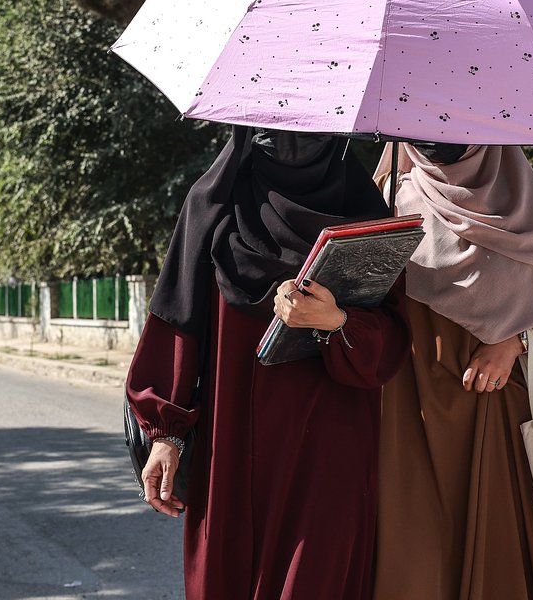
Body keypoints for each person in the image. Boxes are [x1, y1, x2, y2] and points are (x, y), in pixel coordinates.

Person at [127, 127, 410, 600]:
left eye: (311, 127)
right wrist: (166, 432)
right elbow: (177, 322)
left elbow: (391, 349)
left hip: (330, 453)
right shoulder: (213, 205)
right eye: (273, 126)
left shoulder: (364, 215)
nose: (292, 138)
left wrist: (336, 319)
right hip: (231, 449)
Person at [371, 142, 533, 600]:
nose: (441, 136)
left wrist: (515, 338)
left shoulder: (528, 215)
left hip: (504, 441)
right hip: (406, 437)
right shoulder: (385, 203)